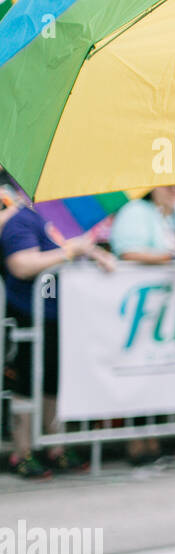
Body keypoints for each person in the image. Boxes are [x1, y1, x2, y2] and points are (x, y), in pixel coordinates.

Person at [1, 191, 116, 477]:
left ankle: (55, 446)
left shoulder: (58, 218)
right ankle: (22, 452)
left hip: (58, 314)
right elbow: (21, 265)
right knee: (25, 385)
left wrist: (96, 254)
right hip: (27, 313)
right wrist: (69, 252)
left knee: (54, 382)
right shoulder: (21, 219)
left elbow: (73, 248)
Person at [109, 184, 175, 468]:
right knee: (137, 371)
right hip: (140, 306)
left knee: (161, 373)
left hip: (169, 306)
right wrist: (168, 257)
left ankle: (154, 440)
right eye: (169, 185)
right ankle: (136, 443)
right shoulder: (136, 211)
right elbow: (127, 252)